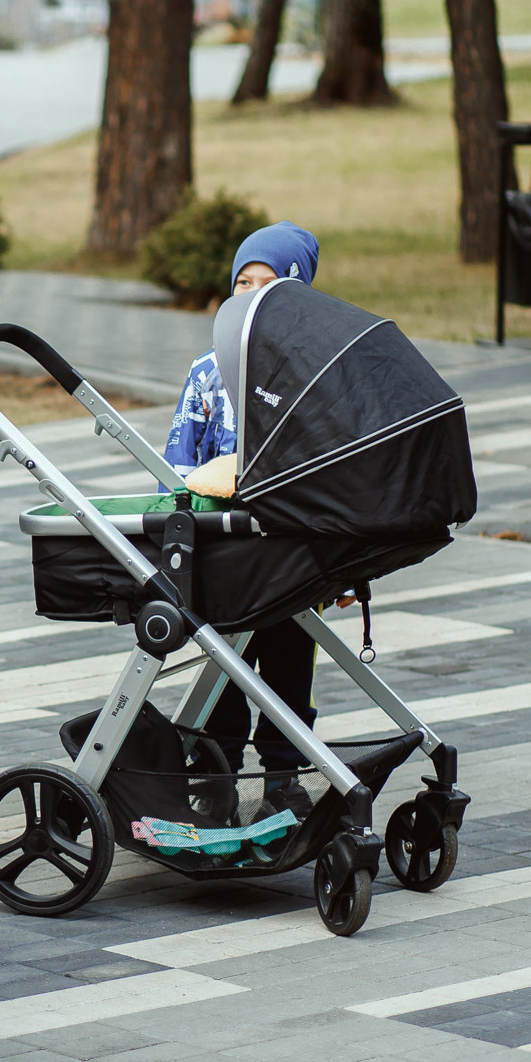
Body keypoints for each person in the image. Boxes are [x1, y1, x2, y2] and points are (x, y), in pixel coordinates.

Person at [165, 221, 326, 819]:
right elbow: (178, 467)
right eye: (243, 283)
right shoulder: (207, 374)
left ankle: (286, 776)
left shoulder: (313, 377)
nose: (252, 295)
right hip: (220, 554)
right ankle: (215, 777)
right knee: (224, 674)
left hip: (291, 557)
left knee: (288, 669)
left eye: (270, 286)